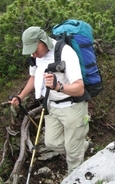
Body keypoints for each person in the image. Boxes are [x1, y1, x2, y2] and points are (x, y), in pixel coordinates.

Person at [9, 26, 91, 173]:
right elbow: (34, 77)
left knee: (73, 156)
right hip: (52, 107)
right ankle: (81, 147)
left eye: (35, 49)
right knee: (51, 143)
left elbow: (80, 89)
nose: (33, 54)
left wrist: (58, 86)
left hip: (73, 107)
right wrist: (21, 96)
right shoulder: (36, 58)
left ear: (43, 41)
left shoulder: (65, 52)